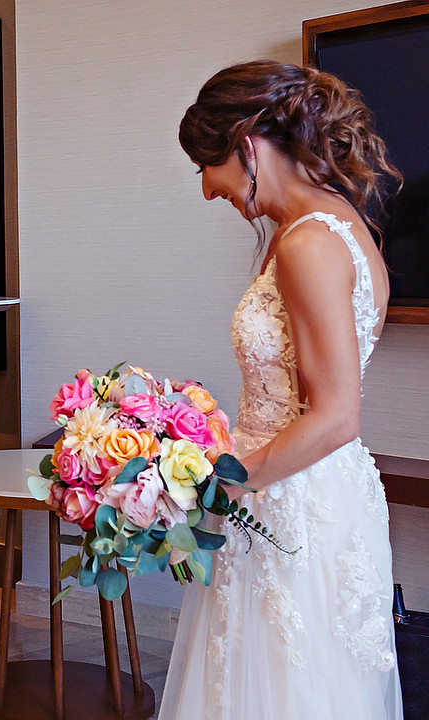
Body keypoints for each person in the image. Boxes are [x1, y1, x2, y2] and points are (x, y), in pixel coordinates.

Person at [159, 61, 404, 719]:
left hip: (293, 501)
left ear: (247, 144)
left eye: (205, 165)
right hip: (295, 491)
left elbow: (335, 416)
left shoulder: (308, 245)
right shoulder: (342, 229)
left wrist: (225, 481)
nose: (209, 188)